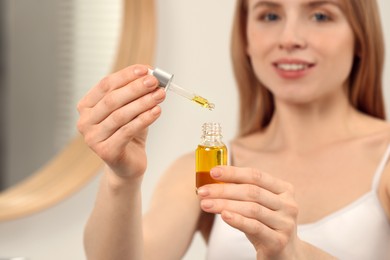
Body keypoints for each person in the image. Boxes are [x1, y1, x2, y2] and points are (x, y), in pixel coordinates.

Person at [77, 0, 390, 259]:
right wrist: (121, 179)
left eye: (321, 15)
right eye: (269, 15)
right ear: (247, 39)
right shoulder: (207, 168)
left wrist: (298, 254)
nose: (290, 38)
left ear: (361, 37)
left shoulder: (384, 160)